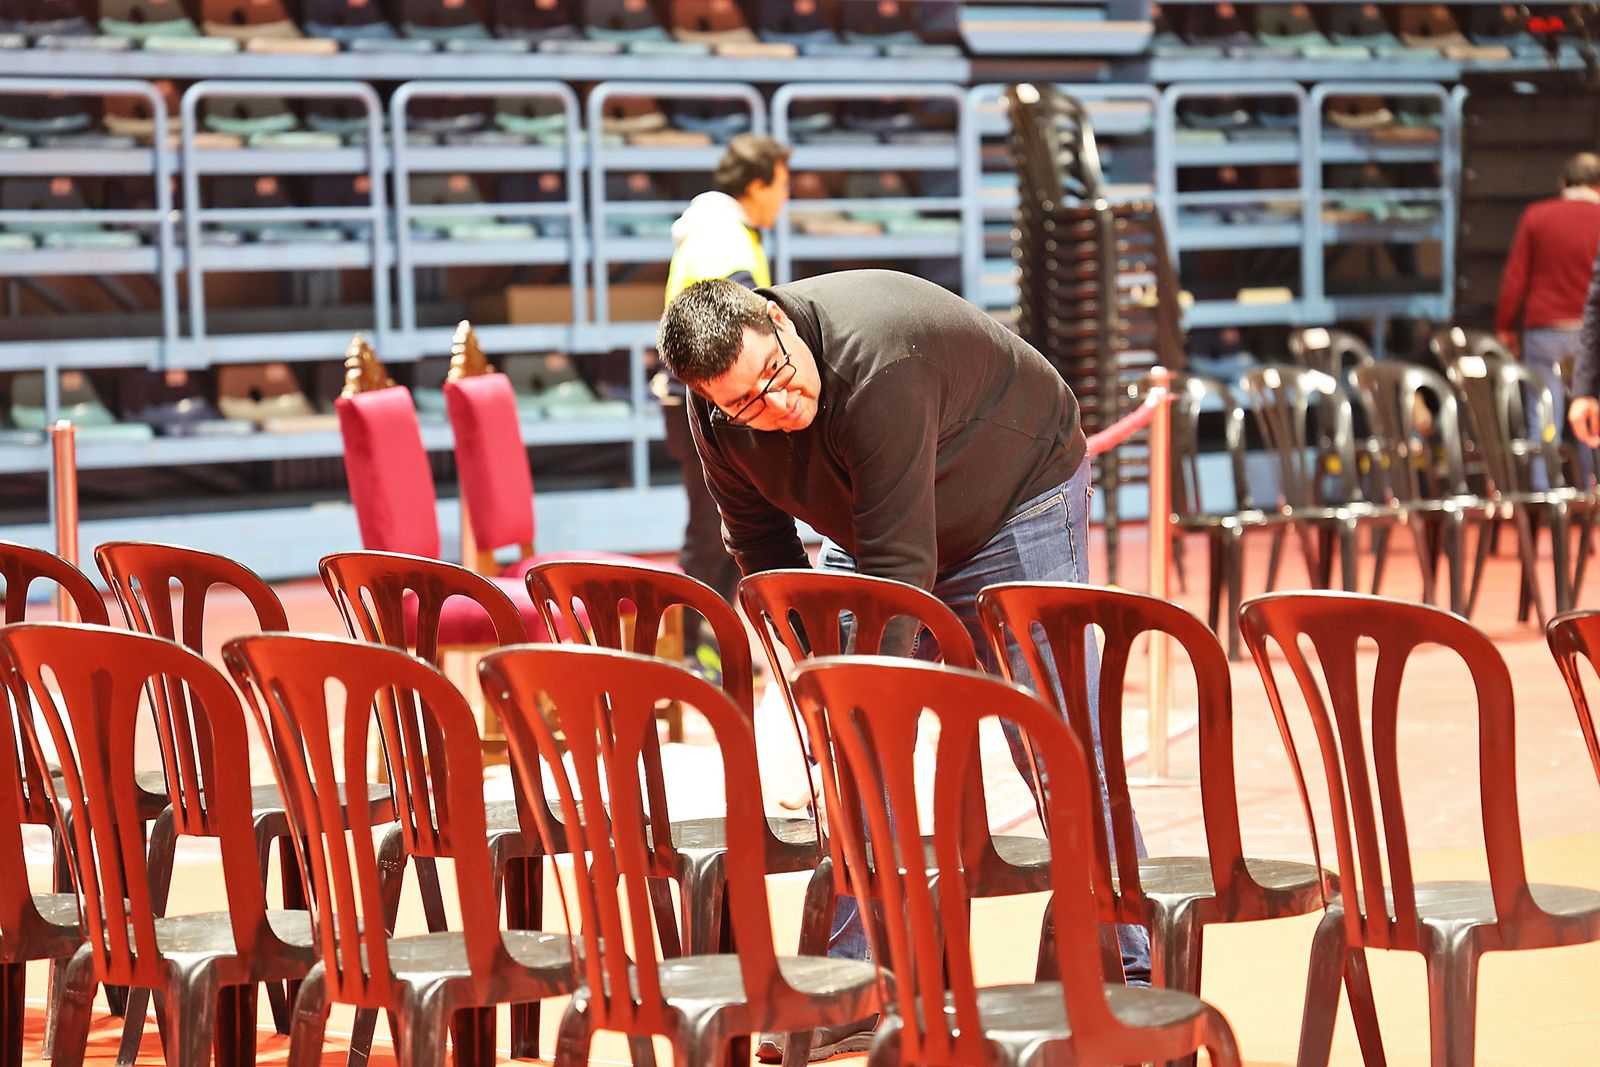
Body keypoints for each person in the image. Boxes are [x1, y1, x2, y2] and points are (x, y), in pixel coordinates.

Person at [657, 269, 1152, 1062]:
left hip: (1009, 492)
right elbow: (760, 544)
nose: (775, 408)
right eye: (746, 403)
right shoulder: (718, 403)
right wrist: (813, 668)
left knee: (1058, 740)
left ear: (780, 323)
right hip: (873, 508)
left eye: (777, 378)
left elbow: (901, 567)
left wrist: (856, 688)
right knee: (852, 746)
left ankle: (1130, 974)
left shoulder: (877, 358)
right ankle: (857, 980)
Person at [656, 134, 790, 672]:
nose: (785, 198)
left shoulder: (724, 230)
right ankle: (696, 652)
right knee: (714, 531)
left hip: (709, 400)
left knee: (728, 525)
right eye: (782, 185)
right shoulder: (724, 238)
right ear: (757, 184)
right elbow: (745, 327)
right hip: (707, 405)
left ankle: (714, 643)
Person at [1496, 152, 1600, 485]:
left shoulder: (1537, 216)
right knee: (1594, 420)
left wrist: (1504, 326)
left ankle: (1545, 498)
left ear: (1562, 184)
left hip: (1546, 332)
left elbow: (1515, 278)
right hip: (1592, 333)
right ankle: (1592, 495)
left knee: (1543, 418)